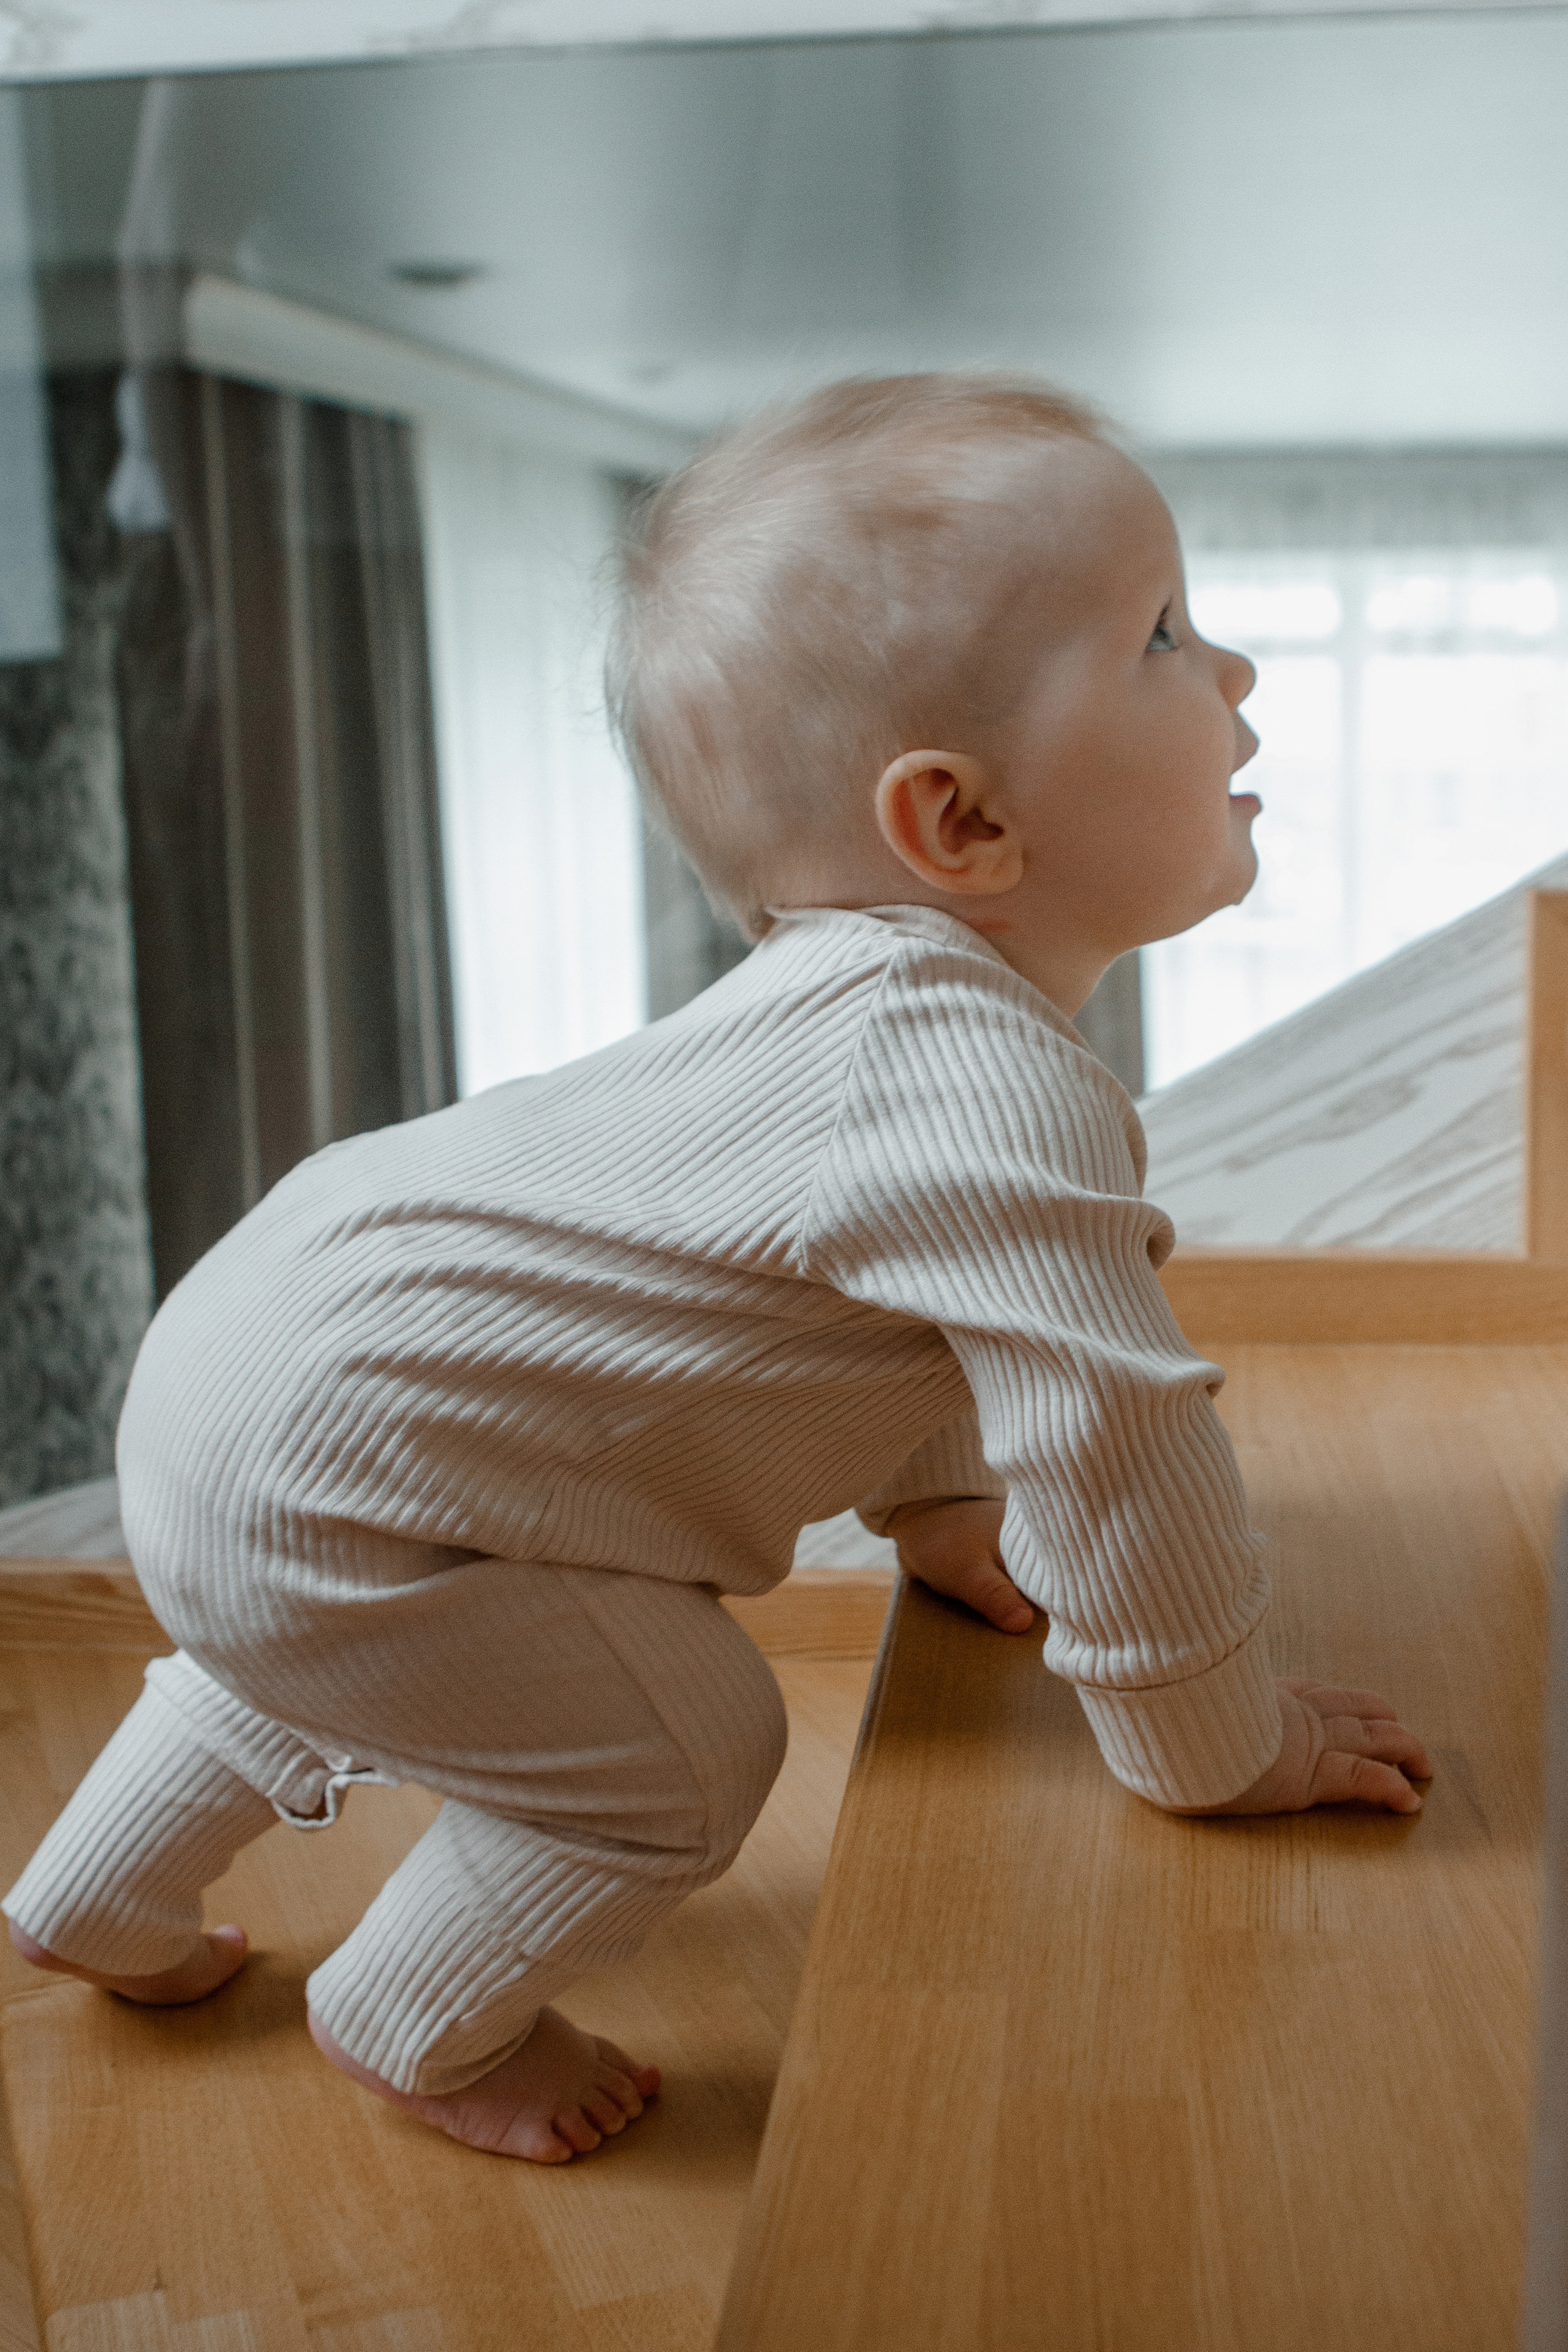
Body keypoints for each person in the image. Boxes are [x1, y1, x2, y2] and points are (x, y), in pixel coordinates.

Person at [4, 375, 1431, 2165]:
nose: (1234, 677)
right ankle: (416, 2020)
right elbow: (1113, 1443)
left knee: (299, 1617)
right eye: (1162, 634)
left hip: (246, 1384)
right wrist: (1213, 1739)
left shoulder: (853, 1023)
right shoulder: (989, 1096)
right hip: (353, 1478)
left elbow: (874, 1313)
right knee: (681, 1752)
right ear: (962, 826)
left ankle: (93, 1899)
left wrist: (942, 1527)